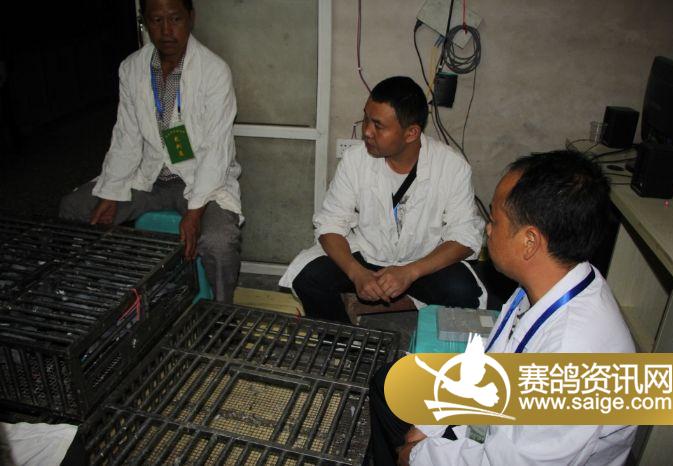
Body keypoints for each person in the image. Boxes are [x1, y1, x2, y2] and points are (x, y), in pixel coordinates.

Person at [369, 150, 637, 465]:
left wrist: (418, 456)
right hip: (496, 421)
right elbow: (492, 365)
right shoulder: (551, 281)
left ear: (530, 242)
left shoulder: (573, 360)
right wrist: (433, 422)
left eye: (495, 220)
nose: (487, 228)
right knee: (390, 384)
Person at [59, 0, 242, 303]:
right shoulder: (132, 68)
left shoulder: (214, 71)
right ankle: (92, 296)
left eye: (175, 19)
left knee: (219, 241)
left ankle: (222, 312)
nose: (166, 30)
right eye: (157, 20)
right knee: (75, 208)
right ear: (144, 21)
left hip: (201, 182)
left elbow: (216, 150)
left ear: (191, 18)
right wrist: (111, 191)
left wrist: (194, 214)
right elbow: (126, 136)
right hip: (149, 177)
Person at [279, 76, 486, 323]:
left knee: (464, 292)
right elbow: (330, 224)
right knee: (308, 277)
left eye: (378, 125)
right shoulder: (355, 160)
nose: (367, 131)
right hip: (368, 255)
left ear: (411, 133)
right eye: (366, 118)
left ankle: (434, 346)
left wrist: (410, 272)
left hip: (421, 263)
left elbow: (465, 237)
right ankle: (343, 341)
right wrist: (356, 273)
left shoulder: (451, 167)